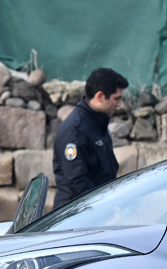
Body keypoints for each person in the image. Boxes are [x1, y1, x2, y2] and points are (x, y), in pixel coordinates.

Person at [52, 67, 127, 210]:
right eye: (116, 99)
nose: (119, 104)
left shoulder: (97, 123)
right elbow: (77, 182)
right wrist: (103, 209)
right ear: (99, 97)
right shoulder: (75, 129)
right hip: (76, 216)